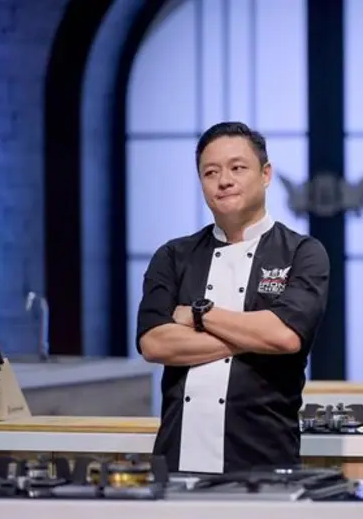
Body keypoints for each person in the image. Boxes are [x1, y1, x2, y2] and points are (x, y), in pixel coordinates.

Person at [136, 121, 330, 474]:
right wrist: (253, 336)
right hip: (177, 458)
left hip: (265, 460)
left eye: (237, 168)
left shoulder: (302, 252)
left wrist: (199, 315)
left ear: (266, 174)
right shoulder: (174, 255)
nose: (223, 180)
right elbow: (153, 343)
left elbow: (285, 336)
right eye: (210, 172)